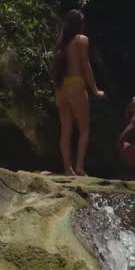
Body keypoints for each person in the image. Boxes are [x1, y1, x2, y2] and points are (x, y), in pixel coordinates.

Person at [50, 9, 105, 175]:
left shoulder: (61, 43)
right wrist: (95, 90)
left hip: (61, 87)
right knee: (84, 129)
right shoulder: (81, 40)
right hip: (75, 84)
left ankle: (68, 169)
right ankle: (80, 167)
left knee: (66, 129)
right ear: (79, 25)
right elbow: (86, 66)